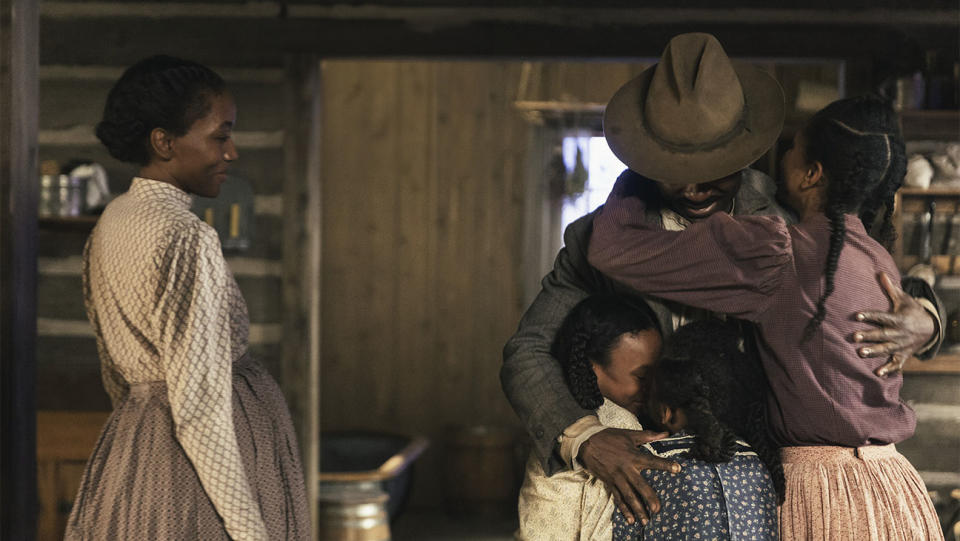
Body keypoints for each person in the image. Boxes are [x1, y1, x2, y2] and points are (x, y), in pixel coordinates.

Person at [500, 32, 943, 527]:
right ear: (647, 159)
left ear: (745, 149)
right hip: (638, 490)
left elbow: (873, 287)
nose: (694, 186)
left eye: (714, 168)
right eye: (674, 169)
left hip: (766, 496)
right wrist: (584, 438)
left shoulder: (791, 220)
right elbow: (528, 352)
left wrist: (926, 319)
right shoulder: (595, 238)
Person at [588, 95, 943, 539]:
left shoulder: (779, 253)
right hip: (895, 490)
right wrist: (931, 318)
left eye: (793, 148)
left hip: (825, 498)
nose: (782, 157)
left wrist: (640, 170)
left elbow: (612, 249)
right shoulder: (878, 259)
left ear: (812, 174)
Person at [65, 56, 310, 541]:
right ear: (164, 141)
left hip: (142, 444)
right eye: (220, 135)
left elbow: (115, 369)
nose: (231, 152)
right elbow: (198, 405)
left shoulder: (115, 219)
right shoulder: (184, 236)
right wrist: (248, 529)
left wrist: (140, 444)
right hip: (200, 468)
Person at [517, 296, 780, 541]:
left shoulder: (611, 421)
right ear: (591, 368)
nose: (654, 390)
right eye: (643, 378)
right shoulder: (617, 429)